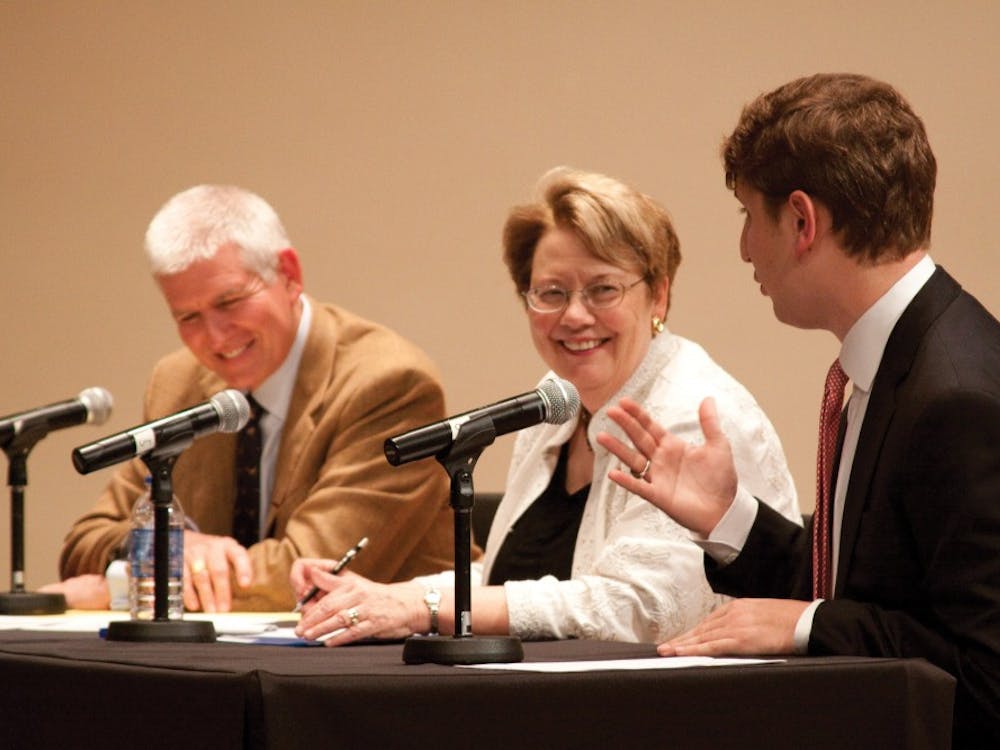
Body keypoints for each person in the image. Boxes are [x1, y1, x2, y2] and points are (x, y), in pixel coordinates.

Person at [598, 74, 1000, 747]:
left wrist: (807, 625)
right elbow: (864, 592)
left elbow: (985, 677)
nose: (745, 248)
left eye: (749, 217)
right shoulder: (892, 360)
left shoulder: (954, 397)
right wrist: (730, 520)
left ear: (802, 222)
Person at [290, 167, 800, 645]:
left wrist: (420, 603)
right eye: (550, 292)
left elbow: (639, 608)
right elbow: (512, 581)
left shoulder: (693, 412)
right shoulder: (555, 407)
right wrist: (372, 594)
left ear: (659, 296)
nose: (575, 315)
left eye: (603, 289)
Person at [49, 184, 454, 612]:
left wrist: (127, 584)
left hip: (382, 665)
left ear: (290, 274)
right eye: (188, 316)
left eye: (231, 301)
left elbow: (308, 575)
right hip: (225, 659)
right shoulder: (178, 382)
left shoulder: (388, 383)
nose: (215, 338)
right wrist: (171, 549)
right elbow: (85, 542)